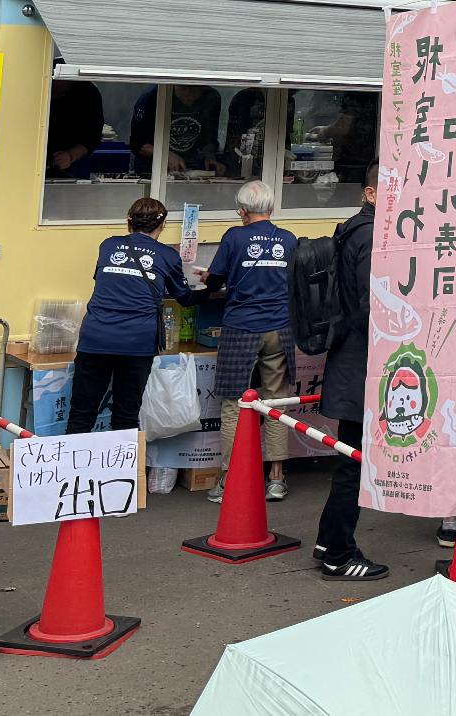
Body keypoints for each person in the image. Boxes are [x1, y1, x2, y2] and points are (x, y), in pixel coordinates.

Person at [69, 197, 202, 432]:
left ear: (128, 221)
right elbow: (185, 298)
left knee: (81, 414)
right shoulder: (168, 255)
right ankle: (124, 458)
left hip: (96, 338)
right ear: (162, 225)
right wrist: (213, 286)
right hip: (137, 342)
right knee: (126, 417)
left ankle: (74, 458)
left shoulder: (108, 245)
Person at [203, 180, 297, 503]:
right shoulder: (288, 239)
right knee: (276, 402)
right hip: (280, 328)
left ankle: (229, 480)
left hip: (241, 327)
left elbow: (215, 280)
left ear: (242, 211)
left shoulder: (234, 237)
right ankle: (276, 479)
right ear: (271, 208)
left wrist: (208, 279)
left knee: (233, 404)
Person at [313, 185, 386, 581]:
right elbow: (372, 302)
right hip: (362, 362)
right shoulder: (372, 234)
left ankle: (328, 542)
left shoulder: (351, 228)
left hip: (349, 359)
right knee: (353, 464)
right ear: (371, 192)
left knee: (350, 459)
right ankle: (339, 555)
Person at [129, 83, 222, 174]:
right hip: (151, 169)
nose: (188, 94)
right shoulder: (152, 97)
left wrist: (210, 157)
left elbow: (209, 138)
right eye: (184, 89)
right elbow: (137, 144)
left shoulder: (211, 98)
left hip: (191, 167)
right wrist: (165, 155)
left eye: (194, 90)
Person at [45, 79, 106, 175]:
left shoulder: (88, 93)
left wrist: (70, 156)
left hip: (74, 165)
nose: (57, 82)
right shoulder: (37, 86)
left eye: (62, 80)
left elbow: (93, 138)